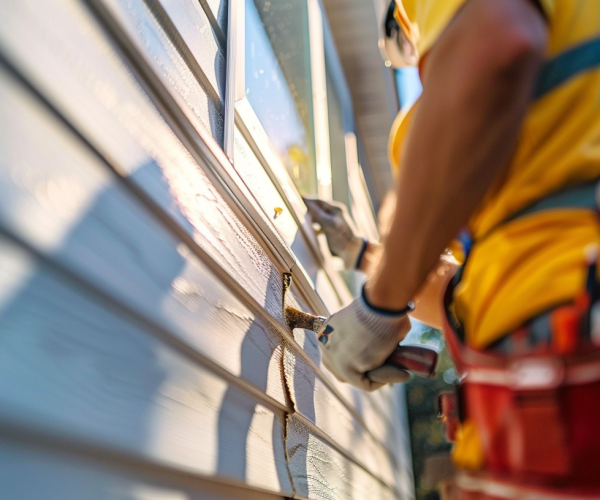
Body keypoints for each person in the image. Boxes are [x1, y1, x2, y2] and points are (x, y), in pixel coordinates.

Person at [306, 0, 600, 497]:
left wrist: (379, 308)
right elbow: (459, 285)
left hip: (564, 346)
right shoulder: (553, 135)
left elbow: (496, 42)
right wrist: (363, 259)